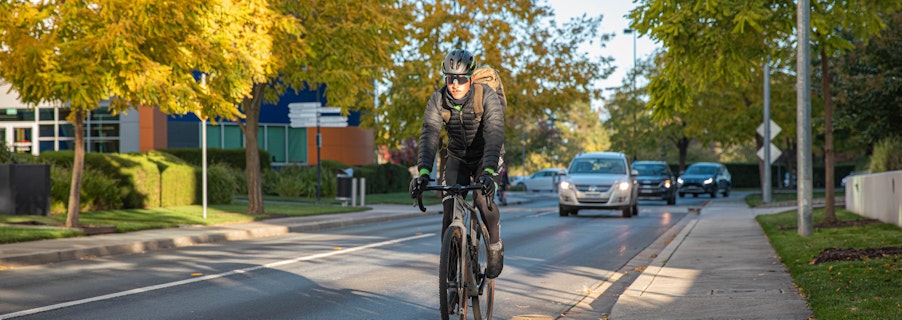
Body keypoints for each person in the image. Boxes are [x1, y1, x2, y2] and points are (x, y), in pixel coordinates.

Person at [411, 49, 505, 278]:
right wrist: (423, 173)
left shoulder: (486, 96)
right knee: (449, 206)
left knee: (483, 200)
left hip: (486, 155)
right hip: (458, 157)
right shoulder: (438, 99)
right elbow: (429, 135)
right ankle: (450, 273)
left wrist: (489, 172)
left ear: (471, 79)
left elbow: (494, 133)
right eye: (450, 77)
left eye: (461, 79)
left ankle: (494, 244)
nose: (454, 83)